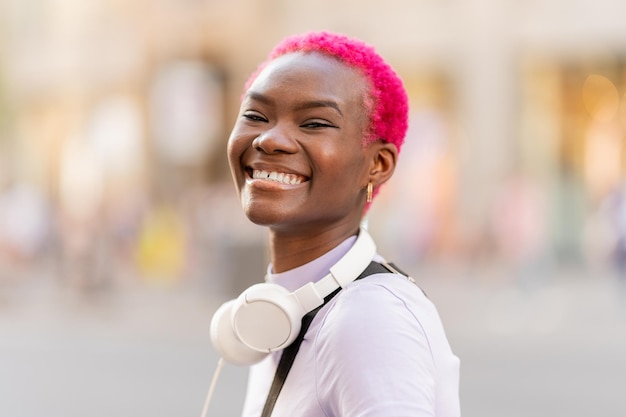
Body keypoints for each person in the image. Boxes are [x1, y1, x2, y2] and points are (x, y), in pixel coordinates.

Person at [211, 31, 460, 417]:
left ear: (377, 165)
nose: (271, 139)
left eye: (314, 123)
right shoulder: (279, 315)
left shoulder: (370, 318)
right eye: (256, 116)